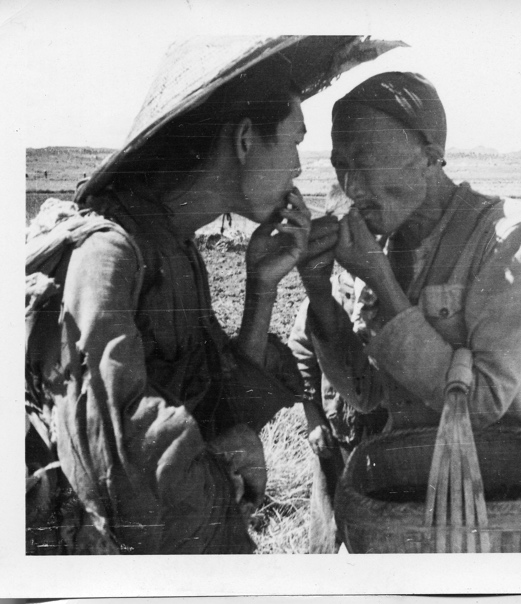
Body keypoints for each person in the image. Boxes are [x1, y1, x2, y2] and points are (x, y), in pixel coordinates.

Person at [24, 36, 385, 554]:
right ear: (244, 141)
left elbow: (212, 408)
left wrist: (261, 287)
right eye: (293, 141)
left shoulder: (173, 248)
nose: (299, 169)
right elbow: (117, 466)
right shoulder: (108, 254)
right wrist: (221, 470)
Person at [289, 71, 521, 549]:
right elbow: (367, 395)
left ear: (429, 156)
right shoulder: (373, 243)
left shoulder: (507, 235)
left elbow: (483, 402)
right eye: (339, 165)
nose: (350, 184)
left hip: (491, 507)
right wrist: (319, 294)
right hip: (405, 503)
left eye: (365, 161)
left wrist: (383, 282)